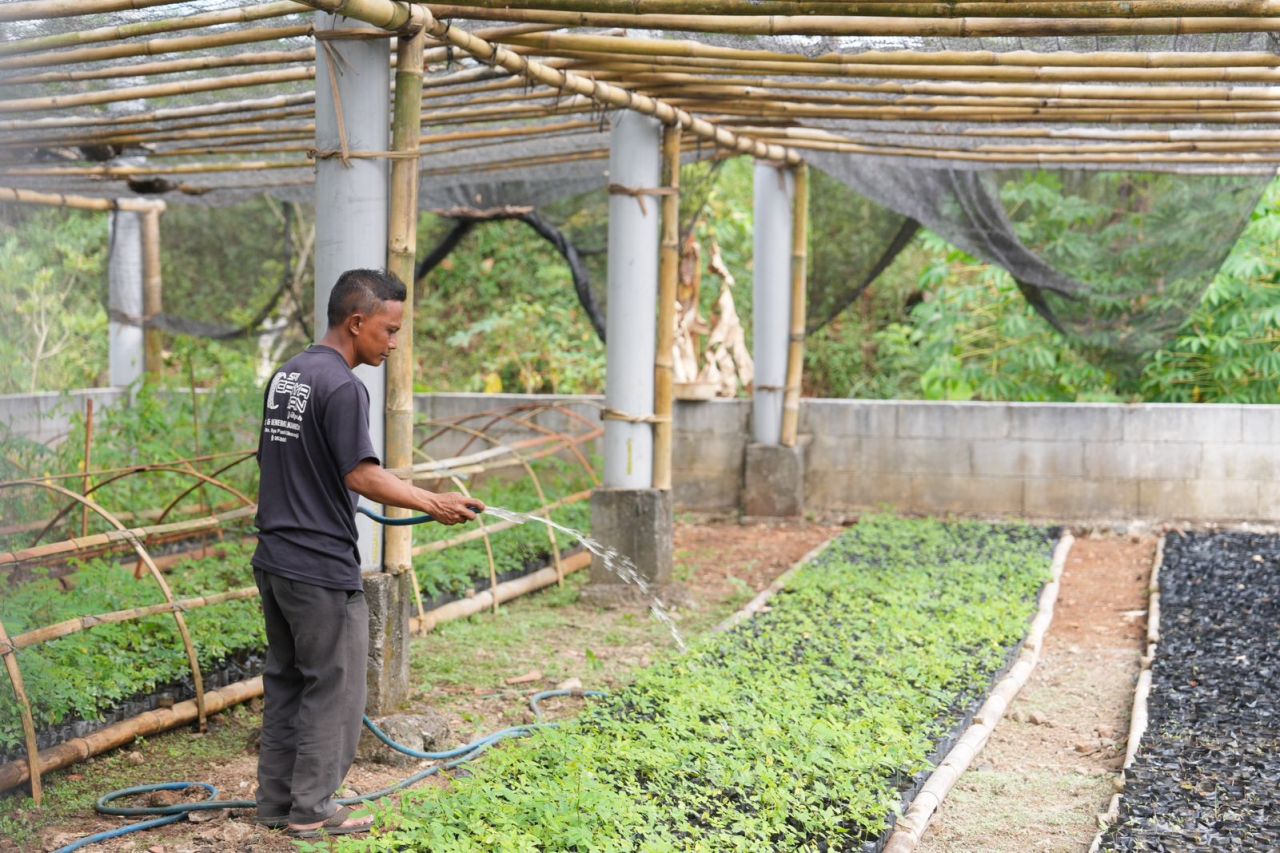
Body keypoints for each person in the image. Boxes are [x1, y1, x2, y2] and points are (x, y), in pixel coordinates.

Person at [250, 268, 484, 838]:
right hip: (320, 565)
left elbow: (276, 459)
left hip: (275, 557)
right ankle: (313, 811)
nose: (395, 342)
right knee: (337, 685)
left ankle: (277, 803)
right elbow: (362, 474)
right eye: (390, 329)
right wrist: (431, 501)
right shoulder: (344, 386)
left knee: (286, 680)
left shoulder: (289, 375)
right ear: (357, 323)